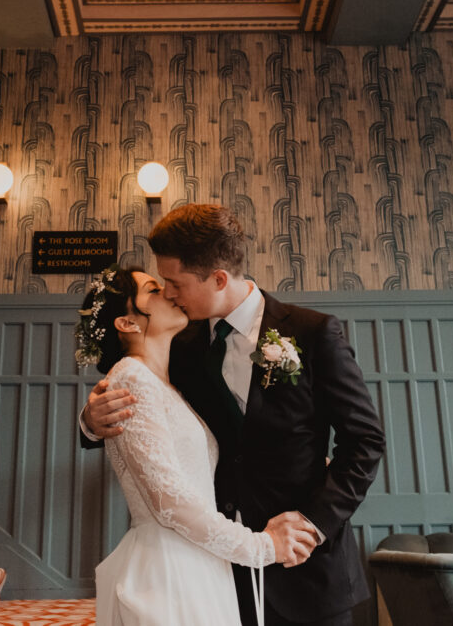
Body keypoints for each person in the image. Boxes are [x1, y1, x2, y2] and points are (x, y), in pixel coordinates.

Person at [82, 205, 385, 626]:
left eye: (175, 283)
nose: (169, 293)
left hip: (306, 570)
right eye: (162, 284)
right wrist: (90, 421)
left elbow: (365, 442)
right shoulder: (178, 343)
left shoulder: (313, 332)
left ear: (219, 279)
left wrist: (314, 525)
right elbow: (147, 409)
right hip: (217, 570)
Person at [76, 267, 315, 626]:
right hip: (169, 568)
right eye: (154, 290)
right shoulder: (130, 379)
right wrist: (261, 547)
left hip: (202, 560)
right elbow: (169, 502)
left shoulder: (173, 373)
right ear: (127, 323)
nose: (170, 293)